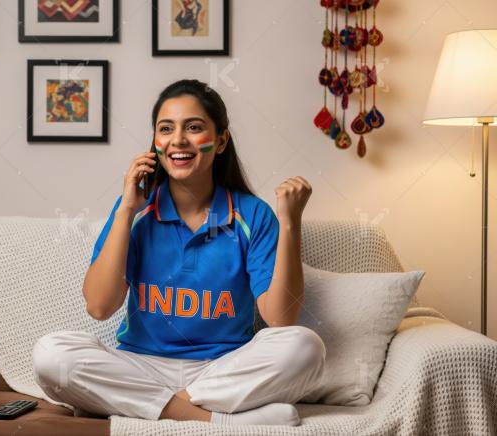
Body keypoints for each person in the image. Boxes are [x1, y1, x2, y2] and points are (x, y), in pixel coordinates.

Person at [32, 79, 325, 426]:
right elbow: (99, 306)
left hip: (223, 369)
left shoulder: (253, 214)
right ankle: (218, 421)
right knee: (52, 356)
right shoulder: (135, 210)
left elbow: (280, 319)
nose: (178, 140)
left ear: (220, 141)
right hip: (142, 366)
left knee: (306, 347)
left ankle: (145, 406)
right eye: (166, 129)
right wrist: (127, 210)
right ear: (155, 143)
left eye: (195, 127)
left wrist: (290, 222)